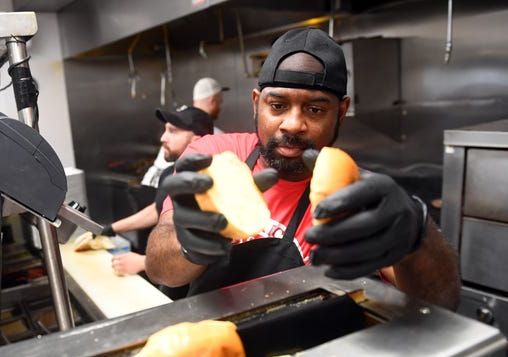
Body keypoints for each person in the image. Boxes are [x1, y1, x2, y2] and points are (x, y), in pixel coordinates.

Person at [145, 27, 460, 310]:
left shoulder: (351, 193)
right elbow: (161, 270)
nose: (293, 124)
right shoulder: (215, 157)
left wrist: (418, 234)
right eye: (278, 106)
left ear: (341, 111)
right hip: (212, 350)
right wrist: (187, 245)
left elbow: (442, 302)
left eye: (315, 109)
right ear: (256, 103)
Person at [101, 106, 214, 283]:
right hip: (166, 274)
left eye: (173, 131)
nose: (163, 138)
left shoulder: (208, 181)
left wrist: (145, 262)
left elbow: (206, 244)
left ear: (197, 140)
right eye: (164, 130)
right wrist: (111, 228)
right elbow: (158, 209)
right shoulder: (170, 173)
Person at [141, 77, 228, 187]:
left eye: (172, 131)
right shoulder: (216, 136)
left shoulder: (182, 116)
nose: (163, 138)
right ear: (212, 101)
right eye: (220, 102)